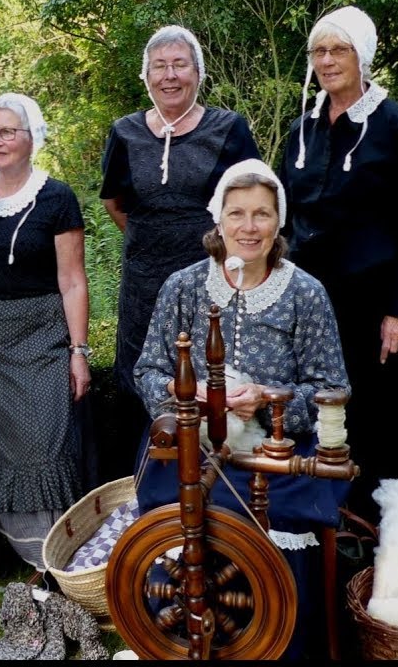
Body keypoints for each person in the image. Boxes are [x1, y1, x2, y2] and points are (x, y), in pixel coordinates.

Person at [133, 159, 351, 659]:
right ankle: (175, 641)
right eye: (237, 214)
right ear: (218, 219)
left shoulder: (304, 293)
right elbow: (146, 371)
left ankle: (278, 645)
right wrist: (188, 402)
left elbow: (332, 387)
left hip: (280, 450)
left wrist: (265, 400)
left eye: (261, 215)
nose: (248, 228)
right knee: (173, 516)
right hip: (190, 444)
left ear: (279, 223)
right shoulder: (183, 286)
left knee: (278, 524)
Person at [279, 6, 398, 526]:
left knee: (383, 418)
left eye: (337, 49)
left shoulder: (394, 124)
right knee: (327, 415)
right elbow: (285, 220)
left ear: (362, 55)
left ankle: (392, 533)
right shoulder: (301, 131)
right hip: (312, 306)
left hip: (375, 304)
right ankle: (332, 526)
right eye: (318, 51)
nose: (326, 61)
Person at [100, 24, 261, 476]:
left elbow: (251, 202)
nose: (169, 75)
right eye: (159, 66)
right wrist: (155, 239)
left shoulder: (228, 129)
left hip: (210, 280)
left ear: (198, 72)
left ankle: (219, 487)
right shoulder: (125, 132)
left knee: (215, 376)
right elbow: (116, 203)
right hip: (144, 283)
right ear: (146, 75)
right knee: (143, 379)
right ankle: (144, 491)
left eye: (179, 64)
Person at [0, 93, 93, 571]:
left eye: (8, 131)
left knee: (42, 443)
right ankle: (23, 550)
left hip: (39, 338)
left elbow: (72, 281)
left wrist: (77, 350)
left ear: (33, 138)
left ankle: (54, 556)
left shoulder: (57, 197)